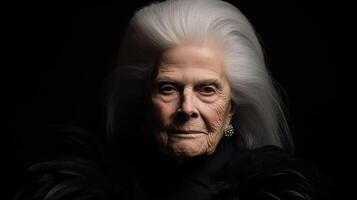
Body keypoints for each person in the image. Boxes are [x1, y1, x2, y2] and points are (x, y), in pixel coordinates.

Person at [15, 0, 331, 199]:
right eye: (168, 88)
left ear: (232, 107)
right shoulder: (72, 189)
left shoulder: (280, 192)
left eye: (207, 89)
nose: (187, 109)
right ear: (144, 97)